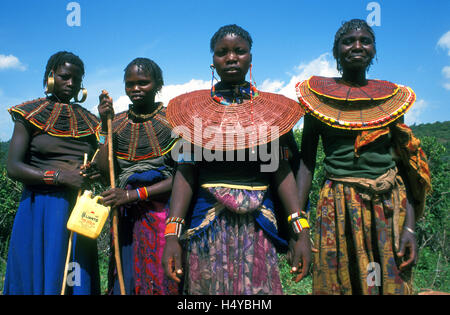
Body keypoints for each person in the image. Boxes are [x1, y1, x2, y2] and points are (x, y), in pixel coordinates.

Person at [162, 24, 309, 295]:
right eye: (222, 52)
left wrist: (301, 232)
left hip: (257, 225)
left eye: (239, 51)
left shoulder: (273, 113)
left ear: (251, 57)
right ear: (213, 60)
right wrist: (172, 235)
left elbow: (281, 171)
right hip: (207, 222)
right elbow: (185, 172)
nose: (231, 58)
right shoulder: (192, 112)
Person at [295, 19, 431, 295]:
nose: (357, 46)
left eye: (365, 41)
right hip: (338, 205)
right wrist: (299, 227)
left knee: (388, 282)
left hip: (389, 203)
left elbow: (406, 165)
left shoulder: (390, 100)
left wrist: (411, 228)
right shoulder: (317, 99)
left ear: (374, 50)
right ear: (336, 51)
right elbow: (306, 164)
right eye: (348, 41)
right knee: (341, 284)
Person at [3, 51, 101, 295]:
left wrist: (93, 172)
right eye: (65, 77)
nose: (71, 84)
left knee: (74, 277)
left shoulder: (90, 121)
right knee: (41, 275)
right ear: (50, 76)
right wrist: (59, 177)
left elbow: (101, 164)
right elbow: (13, 167)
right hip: (40, 207)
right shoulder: (28, 114)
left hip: (79, 209)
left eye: (76, 80)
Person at [97, 57, 180, 295]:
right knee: (127, 277)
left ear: (158, 84)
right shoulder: (117, 123)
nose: (135, 89)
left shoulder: (173, 122)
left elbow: (182, 178)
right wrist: (105, 124)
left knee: (162, 279)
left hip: (163, 214)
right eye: (130, 84)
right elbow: (105, 171)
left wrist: (133, 194)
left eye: (143, 83)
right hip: (126, 218)